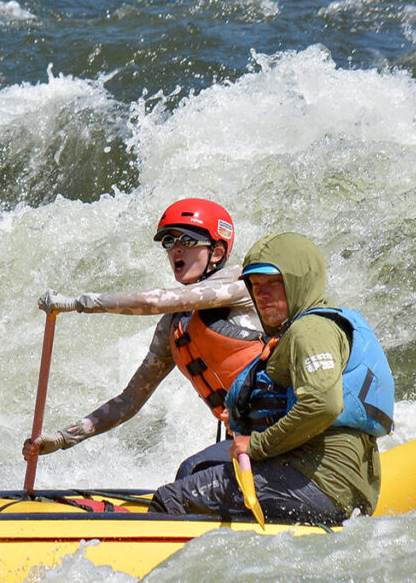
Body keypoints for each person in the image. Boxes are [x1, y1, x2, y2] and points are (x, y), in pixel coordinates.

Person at [150, 231, 395, 524]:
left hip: (318, 481)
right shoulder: (296, 331)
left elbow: (323, 405)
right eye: (255, 285)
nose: (261, 295)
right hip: (320, 478)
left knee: (172, 499)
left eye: (273, 284)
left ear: (298, 282)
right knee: (194, 469)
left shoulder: (311, 331)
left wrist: (257, 445)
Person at [25, 198, 265, 478]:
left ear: (216, 252)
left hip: (280, 427)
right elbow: (129, 401)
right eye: (168, 241)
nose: (176, 248)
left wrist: (79, 302)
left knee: (190, 474)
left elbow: (160, 300)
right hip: (242, 437)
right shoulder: (175, 325)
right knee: (195, 474)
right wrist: (64, 438)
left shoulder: (239, 286)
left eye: (188, 240)